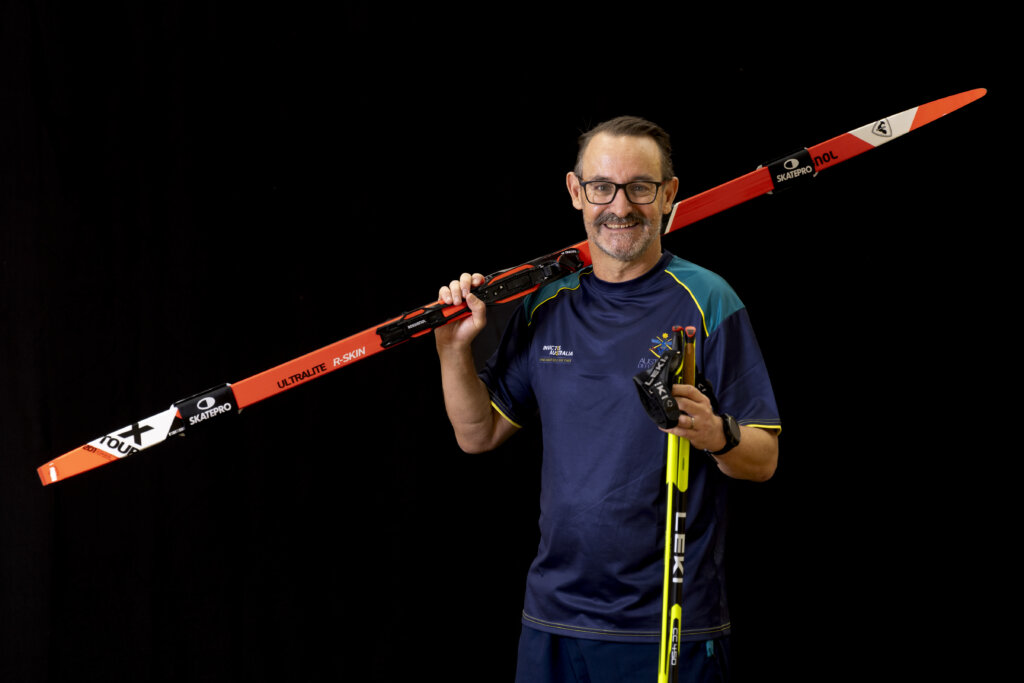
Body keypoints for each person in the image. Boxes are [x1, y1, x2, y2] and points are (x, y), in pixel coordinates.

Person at [434, 116, 781, 683]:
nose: (620, 206)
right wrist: (453, 350)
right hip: (553, 619)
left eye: (641, 187)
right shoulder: (546, 305)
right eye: (603, 187)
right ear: (577, 192)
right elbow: (478, 435)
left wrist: (716, 434)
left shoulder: (707, 300)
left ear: (669, 194)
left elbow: (763, 459)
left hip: (668, 625)